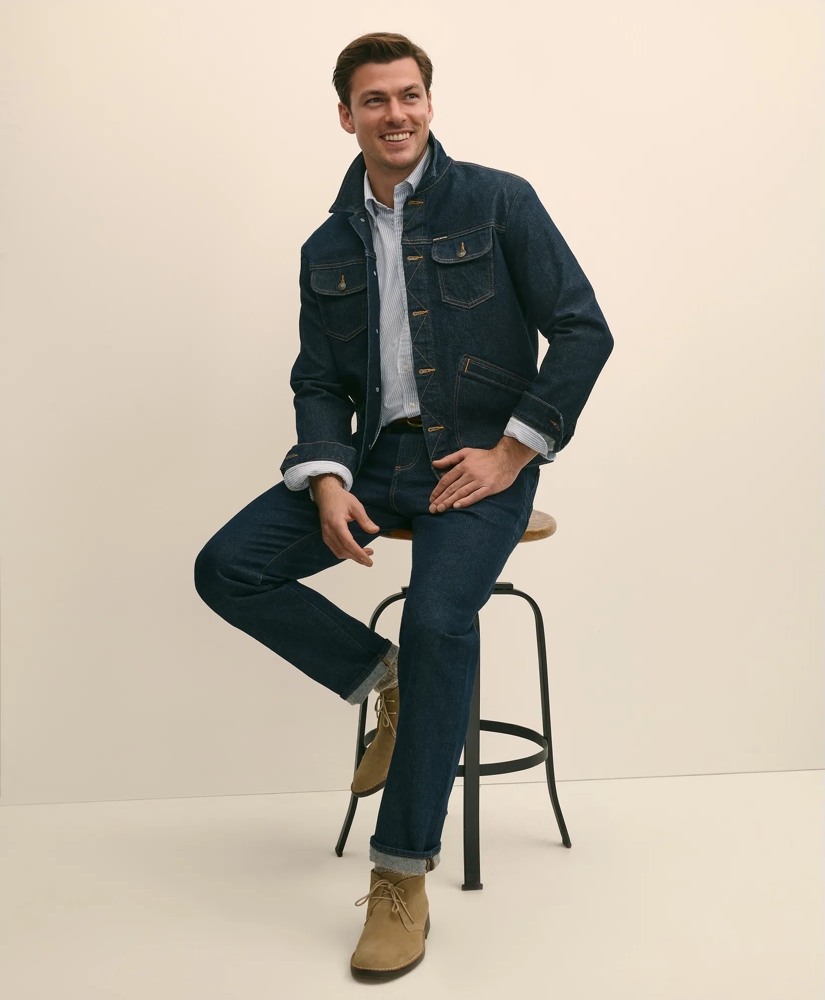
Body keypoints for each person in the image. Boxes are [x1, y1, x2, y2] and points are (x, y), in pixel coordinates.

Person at [194, 31, 613, 983]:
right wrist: (326, 478)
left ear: (430, 102)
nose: (396, 114)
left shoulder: (498, 201)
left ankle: (399, 876)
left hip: (475, 464)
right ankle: (375, 675)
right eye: (376, 100)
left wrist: (513, 451)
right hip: (373, 464)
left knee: (437, 621)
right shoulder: (326, 244)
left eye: (410, 95)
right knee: (227, 567)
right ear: (346, 115)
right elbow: (317, 378)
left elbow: (582, 329)